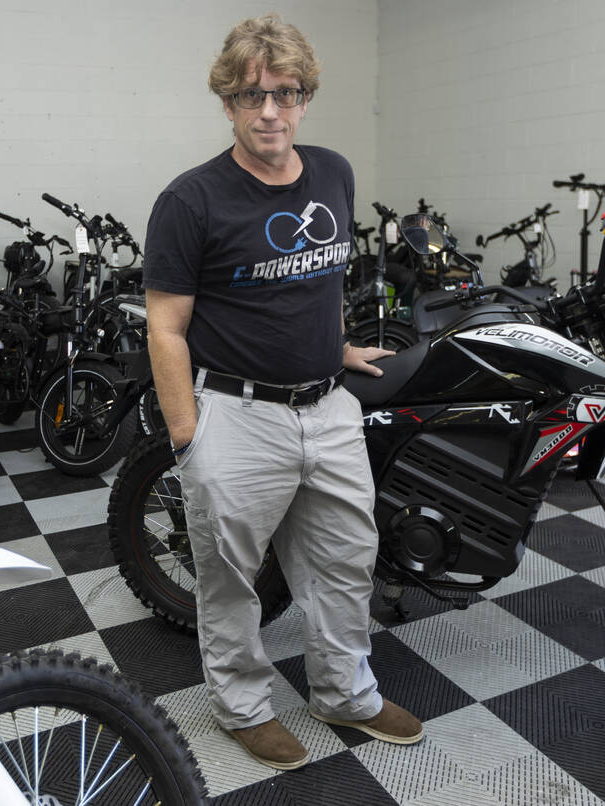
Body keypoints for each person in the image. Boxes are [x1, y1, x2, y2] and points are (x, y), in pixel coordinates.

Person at [142, 12, 423, 772]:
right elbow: (165, 329)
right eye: (251, 95)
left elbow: (319, 281)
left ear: (305, 98)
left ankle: (345, 693)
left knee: (344, 562)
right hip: (235, 414)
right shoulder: (190, 200)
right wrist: (188, 440)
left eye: (285, 93)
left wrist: (335, 348)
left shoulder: (333, 172)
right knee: (231, 579)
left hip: (326, 407)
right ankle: (241, 705)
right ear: (228, 103)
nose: (270, 110)